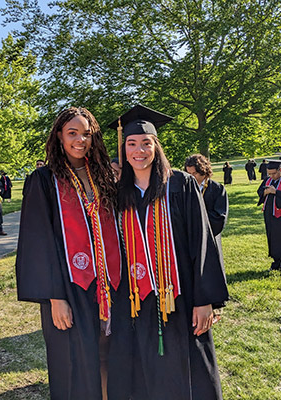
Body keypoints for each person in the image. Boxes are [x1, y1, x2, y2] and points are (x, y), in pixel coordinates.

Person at [109, 104, 229, 400]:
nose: (139, 150)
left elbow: (202, 242)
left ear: (156, 146)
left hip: (181, 294)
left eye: (146, 143)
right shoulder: (118, 193)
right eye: (132, 144)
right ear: (124, 148)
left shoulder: (180, 184)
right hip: (136, 298)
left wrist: (205, 302)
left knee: (190, 364)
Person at [16, 107, 129, 400]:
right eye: (73, 133)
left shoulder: (103, 175)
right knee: (76, 362)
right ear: (59, 136)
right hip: (70, 287)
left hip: (111, 285)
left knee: (110, 357)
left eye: (87, 134)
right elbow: (37, 242)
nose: (80, 140)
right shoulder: (43, 180)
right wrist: (55, 297)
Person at [185, 154, 229, 269]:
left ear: (203, 171)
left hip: (209, 235)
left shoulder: (217, 189)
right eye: (188, 174)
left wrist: (198, 219)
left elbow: (219, 216)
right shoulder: (185, 189)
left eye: (194, 173)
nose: (191, 177)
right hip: (189, 236)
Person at [257, 159, 281, 271]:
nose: (271, 176)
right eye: (269, 173)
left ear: (280, 170)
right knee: (272, 237)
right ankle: (276, 260)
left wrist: (275, 192)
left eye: (274, 173)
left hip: (279, 215)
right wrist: (264, 192)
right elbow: (260, 191)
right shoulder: (268, 180)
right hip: (269, 214)